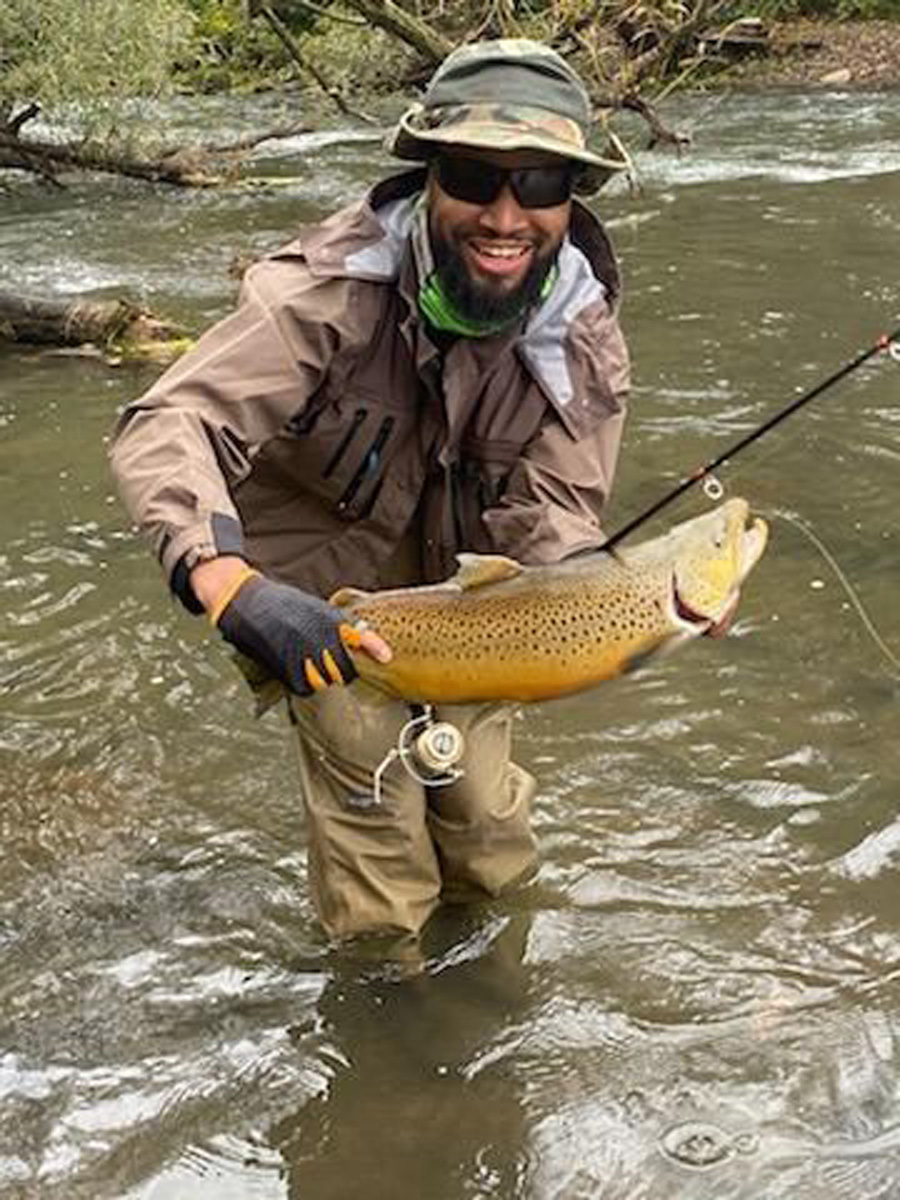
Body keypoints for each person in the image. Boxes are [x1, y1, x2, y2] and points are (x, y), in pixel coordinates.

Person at [109, 38, 631, 943]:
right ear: (429, 176)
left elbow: (557, 521)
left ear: (570, 200)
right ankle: (385, 1041)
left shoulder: (580, 340)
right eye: (474, 176)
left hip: (478, 615)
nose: (506, 215)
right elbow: (171, 423)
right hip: (320, 613)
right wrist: (231, 588)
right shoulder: (323, 296)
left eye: (542, 184)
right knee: (380, 859)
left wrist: (628, 620)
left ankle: (496, 1015)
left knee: (488, 836)